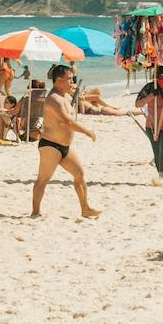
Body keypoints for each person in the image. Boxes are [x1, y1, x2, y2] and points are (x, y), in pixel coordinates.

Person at [31, 65, 101, 219]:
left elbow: (79, 102)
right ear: (59, 80)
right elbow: (67, 122)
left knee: (79, 175)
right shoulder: (53, 99)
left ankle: (85, 208)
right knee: (43, 179)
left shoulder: (66, 96)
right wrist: (87, 132)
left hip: (65, 146)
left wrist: (86, 96)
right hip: (50, 145)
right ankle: (35, 212)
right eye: (69, 79)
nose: (72, 81)